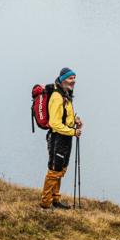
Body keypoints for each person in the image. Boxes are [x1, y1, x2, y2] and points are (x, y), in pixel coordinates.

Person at [40, 67, 83, 209]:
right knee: (54, 170)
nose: (74, 81)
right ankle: (45, 204)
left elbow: (66, 116)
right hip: (57, 138)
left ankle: (56, 200)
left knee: (61, 169)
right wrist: (73, 132)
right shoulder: (57, 97)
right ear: (63, 79)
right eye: (71, 78)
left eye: (74, 78)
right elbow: (55, 123)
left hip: (66, 138)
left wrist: (75, 120)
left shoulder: (66, 93)